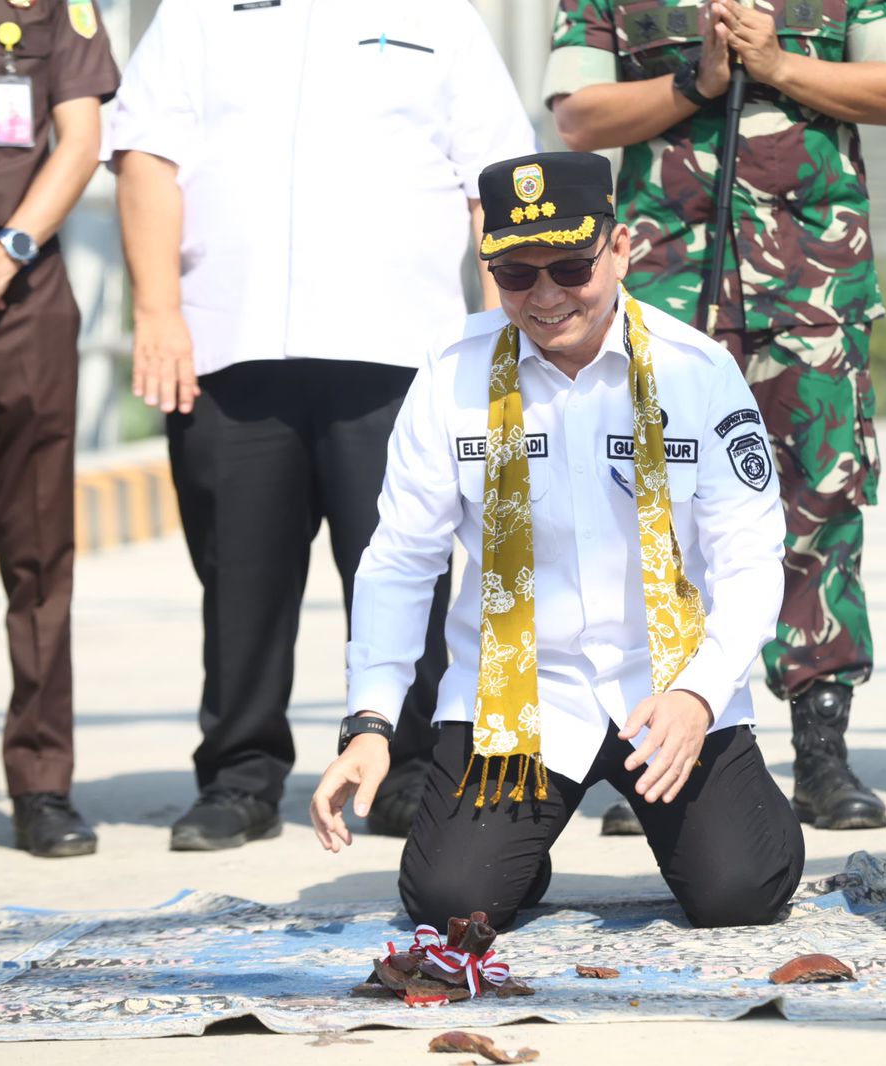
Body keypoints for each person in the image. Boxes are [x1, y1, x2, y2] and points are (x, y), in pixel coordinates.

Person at [310, 152, 805, 931]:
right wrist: (371, 723)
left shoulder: (697, 372)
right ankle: (518, 843)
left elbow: (750, 559)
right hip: (519, 695)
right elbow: (402, 561)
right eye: (515, 275)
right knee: (450, 904)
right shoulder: (451, 376)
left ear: (620, 249)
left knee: (743, 892)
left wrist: (702, 692)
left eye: (571, 267)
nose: (544, 297)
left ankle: (734, 803)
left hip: (668, 688)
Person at [108, 0, 536, 850]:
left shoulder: (437, 15)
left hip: (397, 350)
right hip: (230, 340)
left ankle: (412, 770)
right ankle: (240, 776)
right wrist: (156, 310)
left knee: (402, 566)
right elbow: (147, 157)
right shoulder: (198, 14)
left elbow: (495, 181)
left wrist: (502, 340)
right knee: (238, 576)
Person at [545, 0, 886, 837]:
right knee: (654, 509)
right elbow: (578, 114)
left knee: (821, 503)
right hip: (667, 282)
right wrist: (700, 80)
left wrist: (781, 66)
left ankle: (821, 752)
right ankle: (652, 748)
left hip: (813, 281)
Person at [0, 0, 118, 856]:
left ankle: (42, 784)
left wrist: (5, 250)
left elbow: (79, 137)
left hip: (21, 284)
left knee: (38, 551)